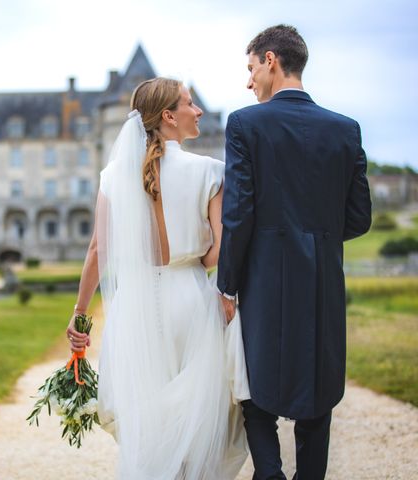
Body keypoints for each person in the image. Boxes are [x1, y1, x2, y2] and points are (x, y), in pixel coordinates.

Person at [67, 77, 249, 479]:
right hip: (190, 299)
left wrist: (80, 315)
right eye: (189, 103)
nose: (197, 110)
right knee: (198, 413)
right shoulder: (211, 171)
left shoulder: (114, 174)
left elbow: (99, 249)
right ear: (169, 116)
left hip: (135, 303)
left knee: (146, 418)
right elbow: (222, 247)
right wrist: (193, 264)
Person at [217, 25, 372, 479]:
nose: (249, 82)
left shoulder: (245, 123)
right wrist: (316, 237)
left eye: (250, 69)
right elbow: (360, 217)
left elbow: (238, 214)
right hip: (323, 279)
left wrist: (227, 284)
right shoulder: (346, 130)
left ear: (271, 60)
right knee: (318, 390)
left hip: (263, 280)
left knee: (255, 386)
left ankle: (269, 474)